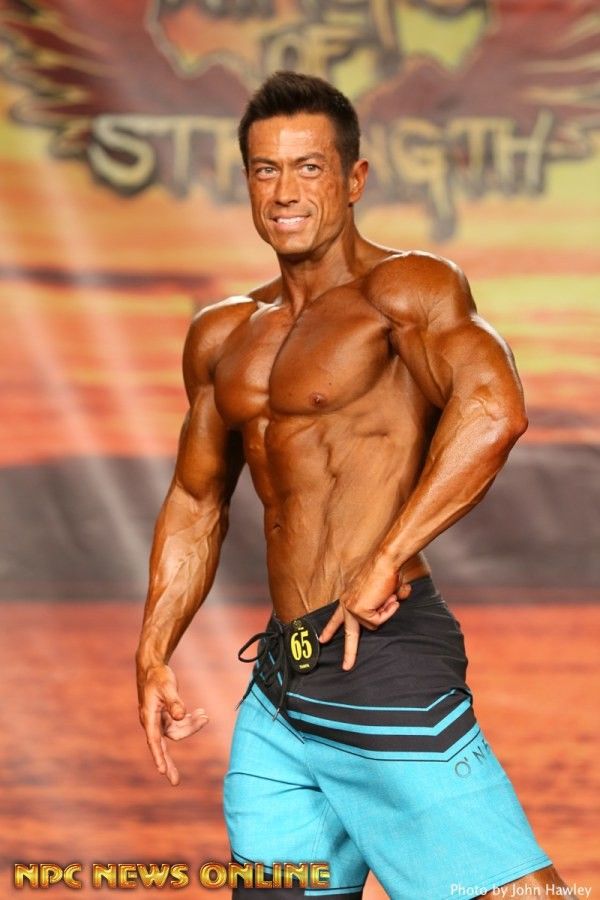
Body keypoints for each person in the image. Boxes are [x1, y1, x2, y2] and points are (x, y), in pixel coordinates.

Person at [136, 71, 566, 898]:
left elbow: (494, 411)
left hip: (382, 655)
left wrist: (389, 553)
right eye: (266, 169)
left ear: (354, 178)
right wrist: (153, 650)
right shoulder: (222, 333)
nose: (285, 191)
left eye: (309, 167)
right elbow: (197, 500)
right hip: (284, 681)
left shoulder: (404, 291)